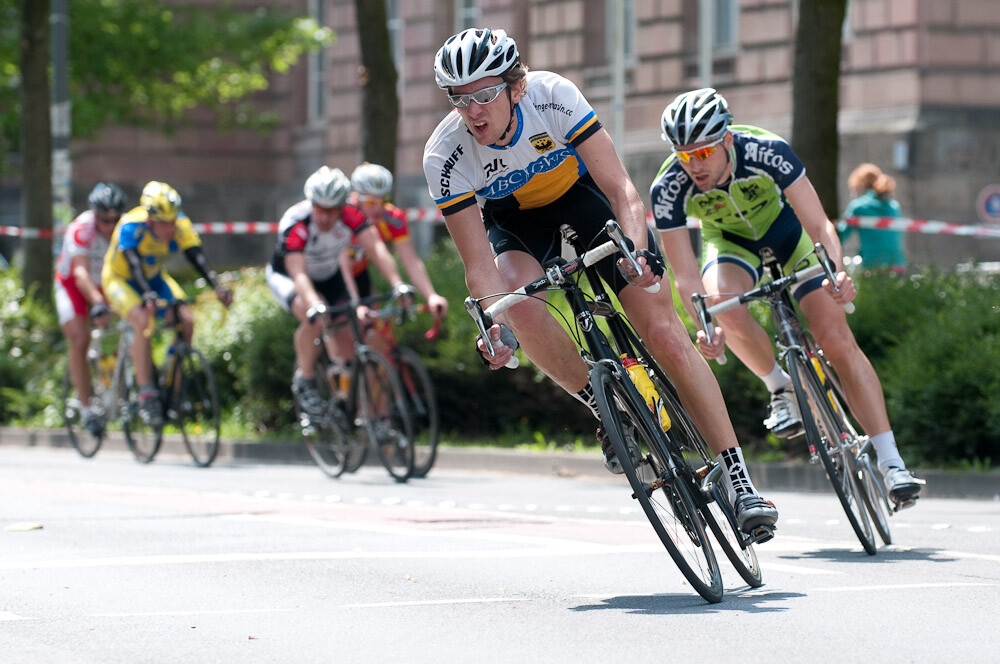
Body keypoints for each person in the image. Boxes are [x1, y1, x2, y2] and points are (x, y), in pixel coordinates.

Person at [422, 28, 777, 533]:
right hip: (515, 220)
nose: (474, 110)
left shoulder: (553, 96)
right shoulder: (446, 155)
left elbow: (621, 189)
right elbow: (478, 264)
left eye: (485, 94)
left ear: (515, 87)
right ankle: (603, 402)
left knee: (664, 330)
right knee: (517, 303)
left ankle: (739, 480)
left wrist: (634, 252)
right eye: (460, 100)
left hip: (587, 198)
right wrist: (491, 326)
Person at [650, 88, 924, 507]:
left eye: (703, 153)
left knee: (835, 339)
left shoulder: (767, 151)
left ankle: (892, 463)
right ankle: (781, 388)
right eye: (685, 156)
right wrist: (704, 325)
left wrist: (837, 272)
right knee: (722, 302)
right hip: (729, 244)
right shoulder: (668, 186)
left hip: (790, 236)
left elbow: (820, 224)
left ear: (726, 140)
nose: (694, 166)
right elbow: (684, 274)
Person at [267, 165, 408, 416]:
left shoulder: (352, 216)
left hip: (328, 276)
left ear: (343, 207)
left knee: (346, 343)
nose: (325, 217)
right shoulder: (296, 223)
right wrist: (313, 303)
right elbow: (298, 272)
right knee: (318, 318)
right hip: (289, 277)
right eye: (320, 209)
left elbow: (377, 250)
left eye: (332, 211)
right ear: (311, 203)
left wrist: (398, 284)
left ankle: (340, 397)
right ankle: (305, 379)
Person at [102, 181, 233, 427]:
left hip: (154, 277)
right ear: (151, 220)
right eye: (165, 223)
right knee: (143, 319)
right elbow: (133, 264)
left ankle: (172, 384)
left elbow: (197, 257)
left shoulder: (179, 224)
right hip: (121, 280)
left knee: (186, 319)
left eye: (173, 221)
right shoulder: (130, 225)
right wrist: (147, 295)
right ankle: (147, 394)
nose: (171, 228)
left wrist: (217, 286)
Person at [55, 183, 127, 436]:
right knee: (80, 338)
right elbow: (80, 272)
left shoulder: (126, 229)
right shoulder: (81, 228)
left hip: (106, 282)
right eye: (104, 220)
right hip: (73, 284)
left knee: (120, 332)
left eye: (114, 219)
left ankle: (114, 389)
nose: (109, 225)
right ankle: (86, 409)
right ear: (95, 215)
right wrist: (97, 303)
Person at [347, 162, 449, 319]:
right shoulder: (344, 214)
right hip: (334, 275)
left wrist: (431, 296)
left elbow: (410, 260)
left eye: (381, 201)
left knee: (373, 325)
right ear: (356, 198)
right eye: (370, 202)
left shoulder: (391, 218)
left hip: (359, 274)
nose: (376, 208)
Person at [839, 163, 907, 273]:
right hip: (898, 265)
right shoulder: (894, 206)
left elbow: (841, 236)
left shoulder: (858, 207)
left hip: (872, 266)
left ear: (860, 185)